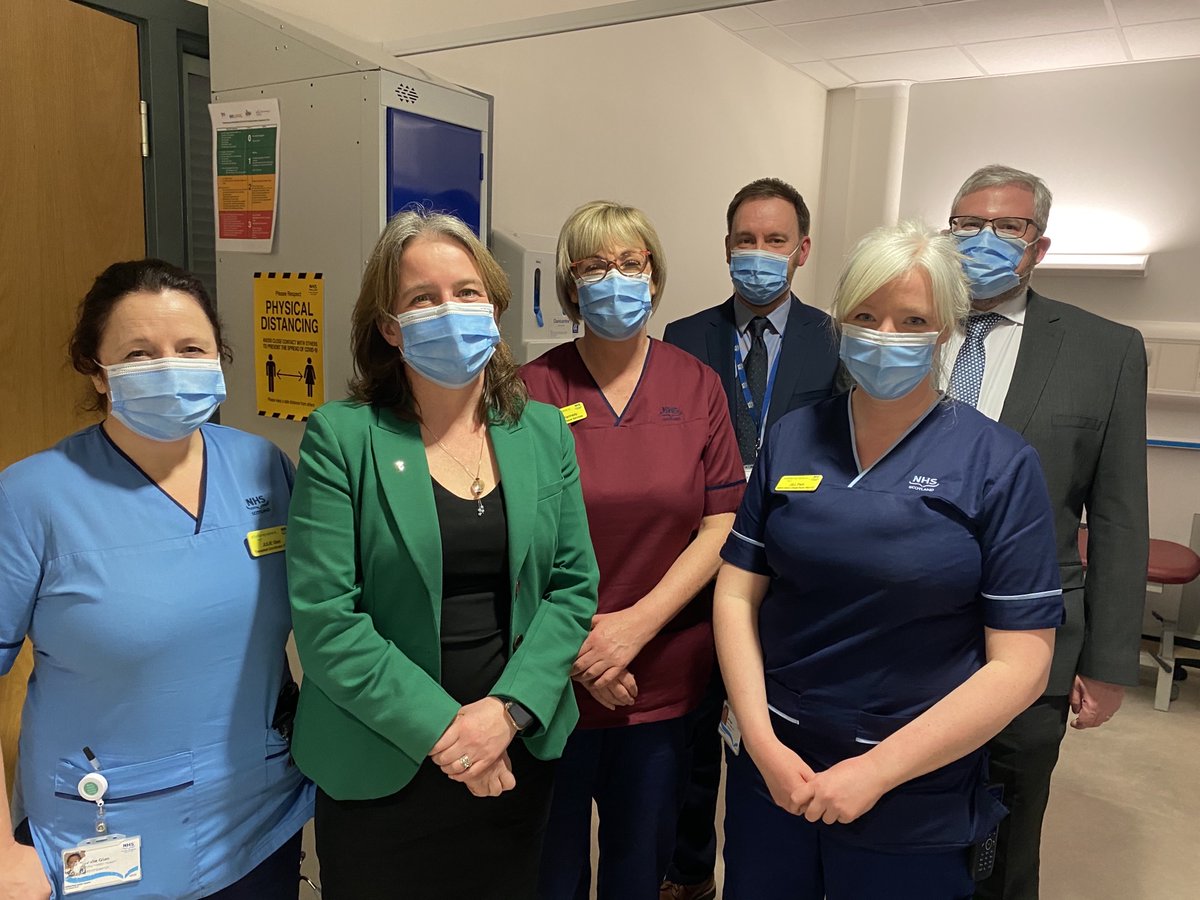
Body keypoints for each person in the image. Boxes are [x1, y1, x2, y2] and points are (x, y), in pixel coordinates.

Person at [715, 221, 1063, 899]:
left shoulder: (998, 463)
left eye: (912, 320)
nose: (886, 335)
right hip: (775, 763)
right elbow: (736, 593)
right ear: (840, 321)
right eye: (867, 316)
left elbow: (1021, 665)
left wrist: (876, 772)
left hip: (913, 785)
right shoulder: (794, 438)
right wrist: (758, 740)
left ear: (944, 331)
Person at [286, 210, 598, 900]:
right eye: (423, 298)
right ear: (390, 327)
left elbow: (574, 588)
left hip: (514, 751)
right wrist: (452, 735)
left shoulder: (542, 431)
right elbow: (327, 620)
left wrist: (505, 714)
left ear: (494, 308)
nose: (450, 310)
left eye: (466, 292)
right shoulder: (342, 439)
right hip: (384, 758)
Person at [0, 259, 314, 899]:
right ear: (97, 370)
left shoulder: (262, 469)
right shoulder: (31, 498)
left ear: (219, 358)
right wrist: (3, 852)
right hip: (96, 840)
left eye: (190, 348)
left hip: (259, 821)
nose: (169, 366)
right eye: (139, 353)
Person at [521, 201, 744, 900]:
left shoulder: (695, 384)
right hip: (552, 675)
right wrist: (584, 652)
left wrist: (634, 629)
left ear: (653, 273)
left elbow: (722, 520)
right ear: (570, 282)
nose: (614, 278)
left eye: (630, 261)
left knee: (638, 869)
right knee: (548, 869)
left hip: (660, 676)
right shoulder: (530, 390)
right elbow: (513, 539)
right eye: (594, 265)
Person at [941, 164, 1149, 900]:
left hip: (1034, 640)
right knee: (901, 822)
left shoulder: (1106, 349)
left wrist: (1110, 658)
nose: (985, 240)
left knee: (1004, 833)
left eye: (1009, 227)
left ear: (1041, 245)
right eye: (968, 224)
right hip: (904, 635)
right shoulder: (900, 326)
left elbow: (1120, 515)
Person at [659, 176, 840, 900]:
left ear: (801, 251)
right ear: (726, 247)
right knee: (697, 726)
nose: (758, 254)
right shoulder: (685, 337)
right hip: (705, 554)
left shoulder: (834, 340)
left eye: (774, 241)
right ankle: (689, 869)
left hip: (796, 566)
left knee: (779, 721)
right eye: (745, 241)